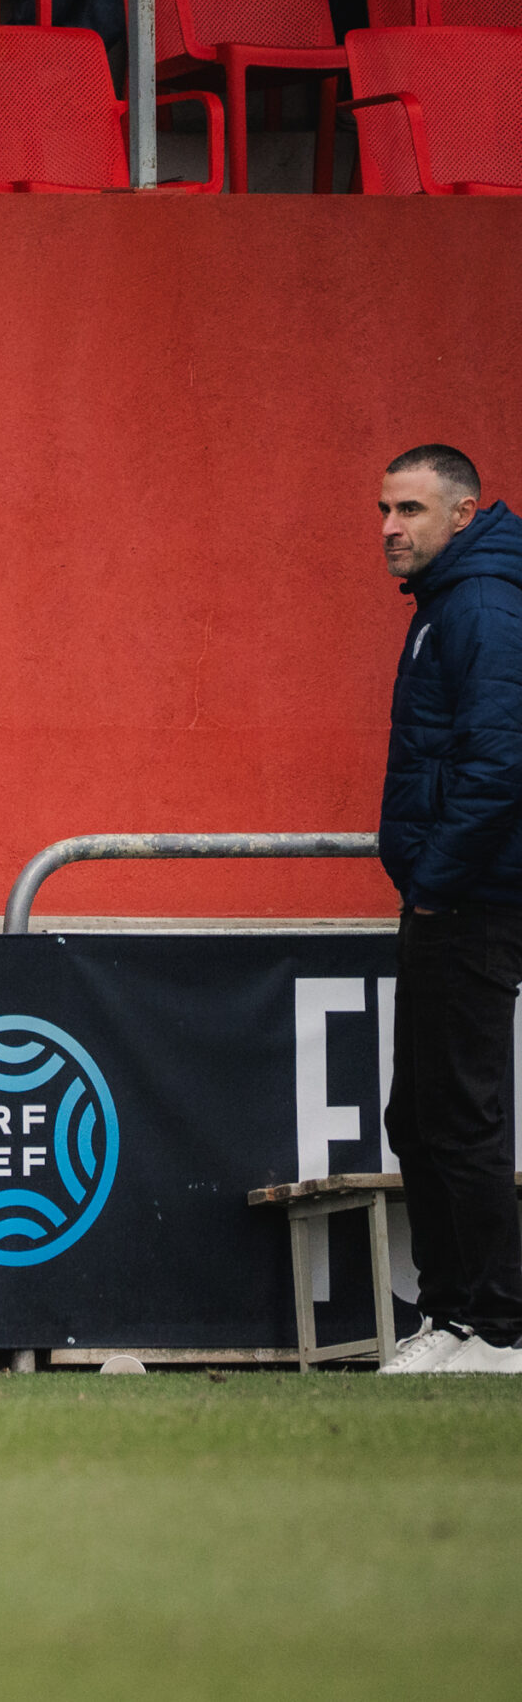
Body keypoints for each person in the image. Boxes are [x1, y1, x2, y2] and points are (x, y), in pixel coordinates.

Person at [374, 444, 522, 1375]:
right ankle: (455, 1318)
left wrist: (433, 881)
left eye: (411, 510)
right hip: (450, 896)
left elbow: (502, 760)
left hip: (472, 899)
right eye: (385, 510)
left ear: (463, 514)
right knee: (421, 1115)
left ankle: (499, 1329)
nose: (391, 529)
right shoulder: (446, 603)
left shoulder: (483, 606)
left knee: (460, 1116)